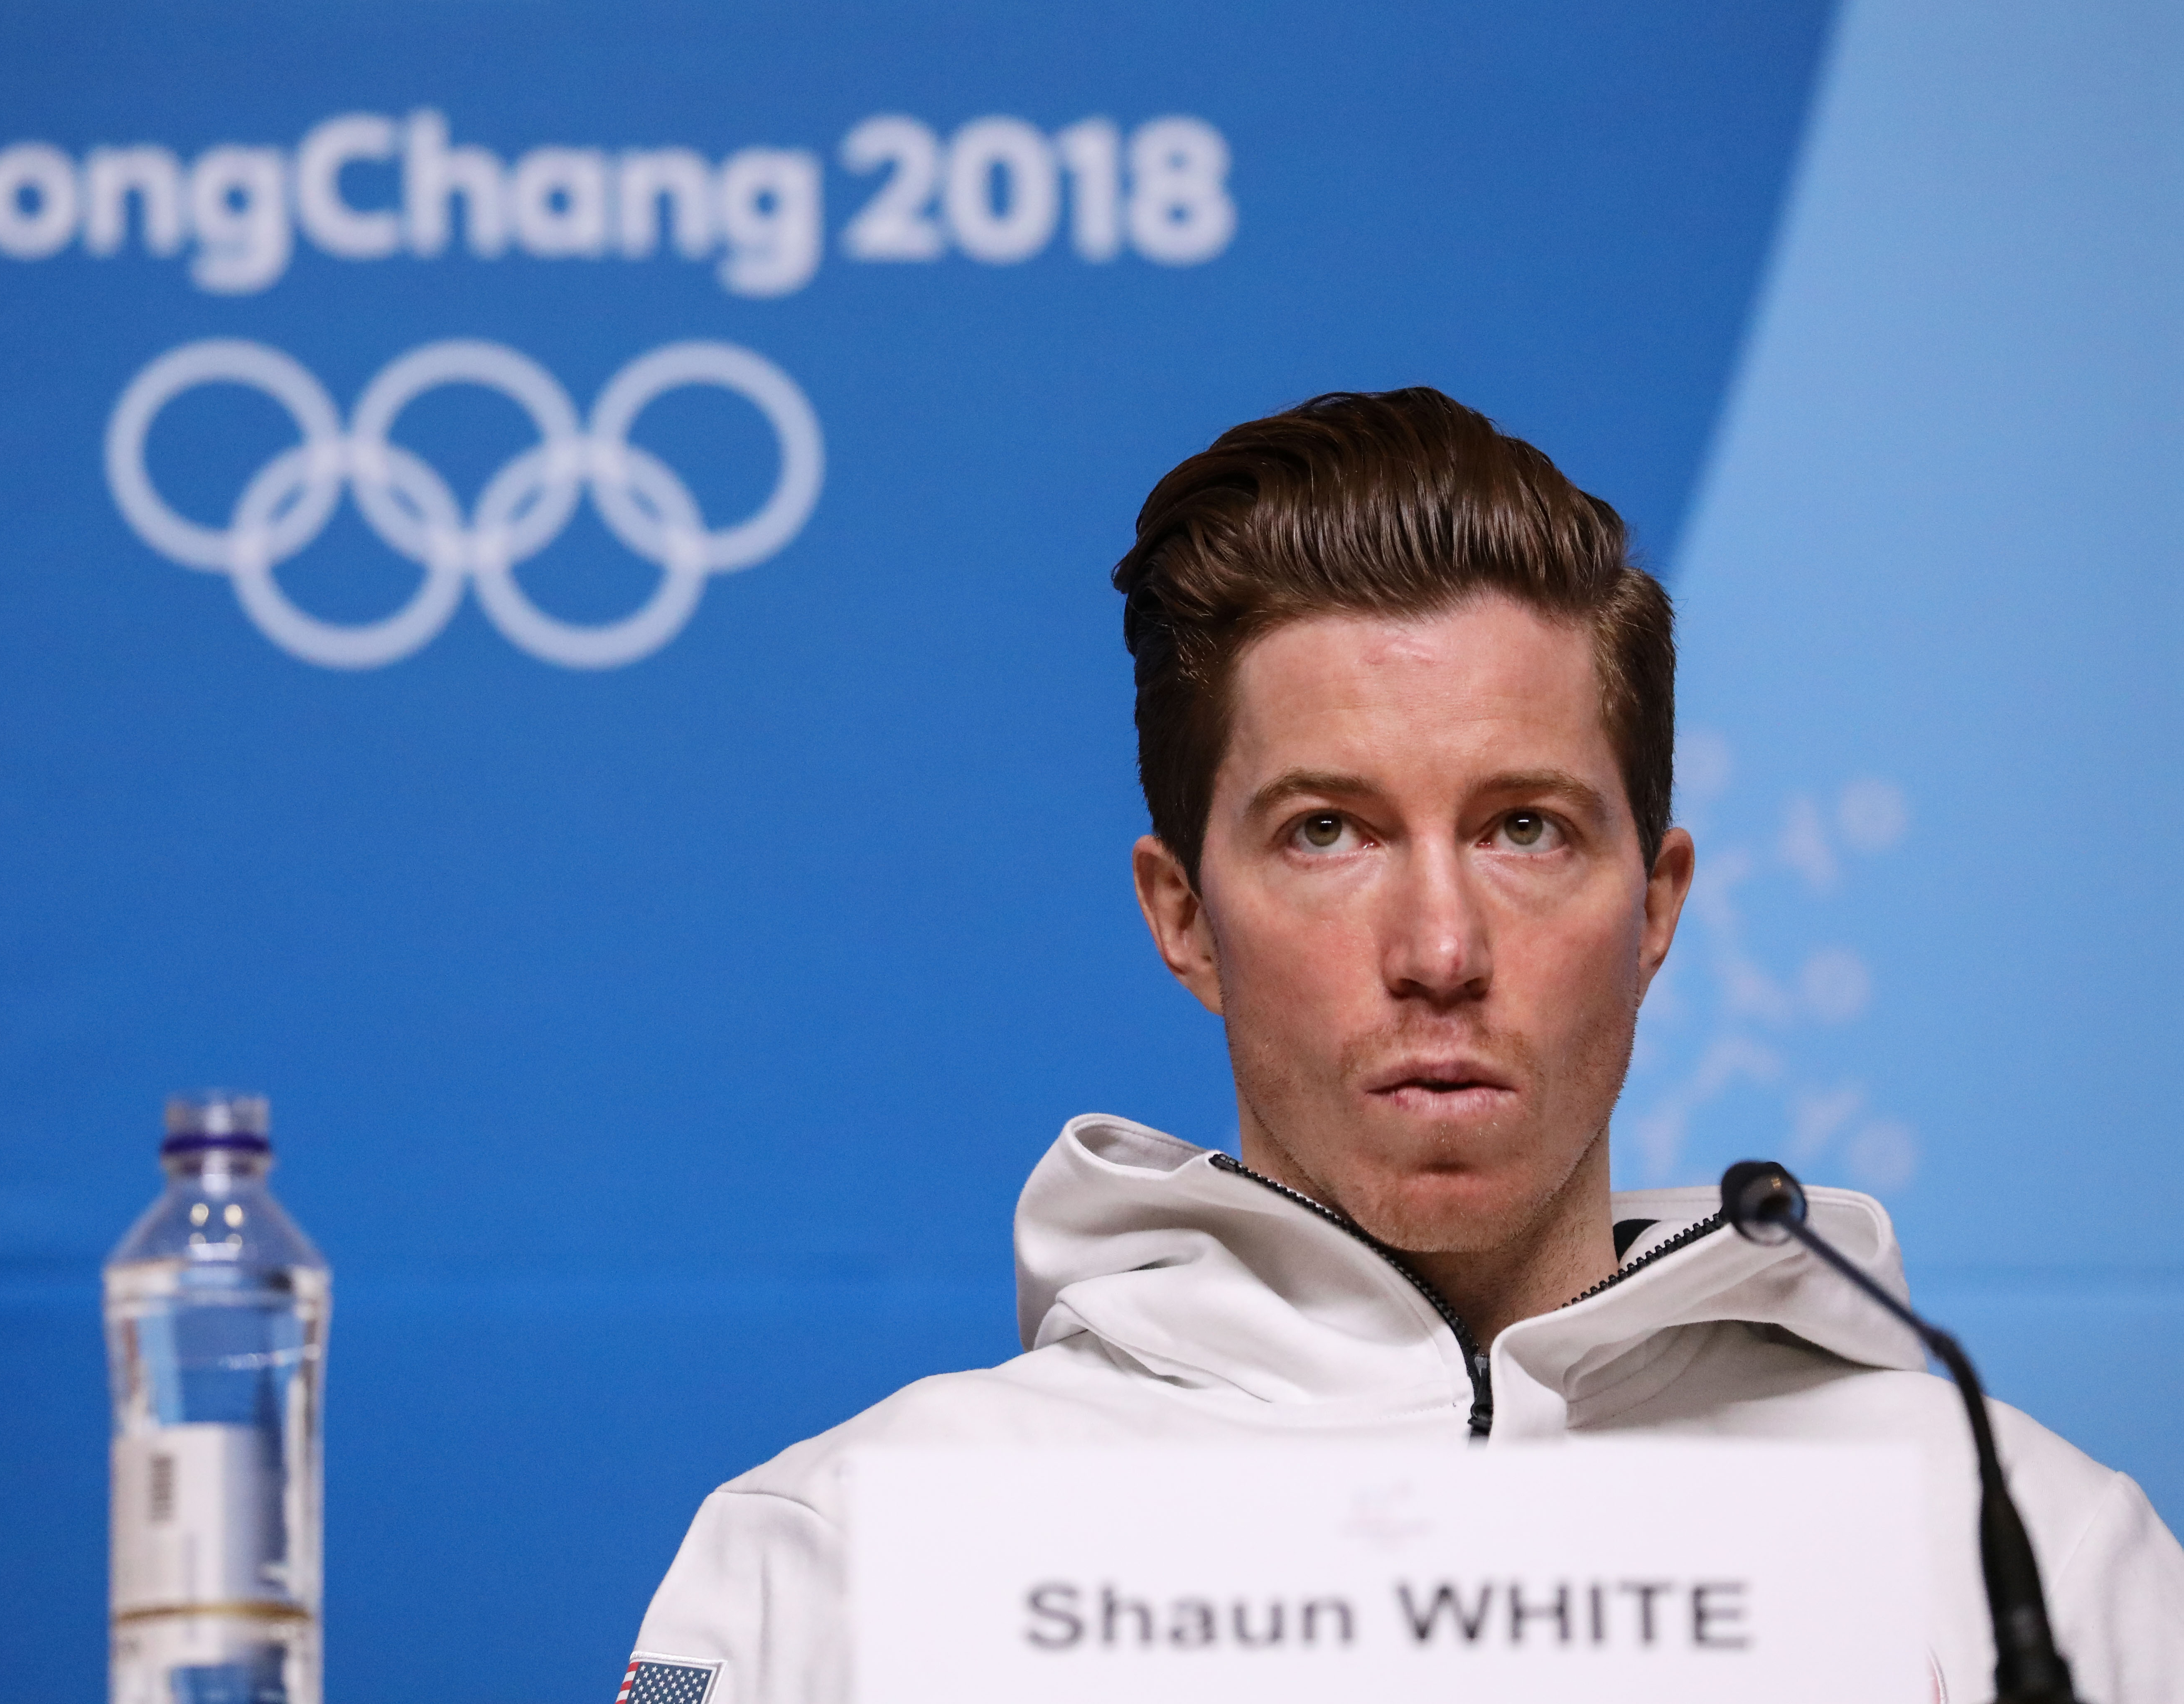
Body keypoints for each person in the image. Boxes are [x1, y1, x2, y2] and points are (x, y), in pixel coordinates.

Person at [619, 388, 2184, 1702]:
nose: (1440, 952)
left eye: (1525, 828)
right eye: (1327, 833)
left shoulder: (2020, 1544)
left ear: (1654, 907)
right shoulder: (840, 1554)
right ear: (1183, 915)